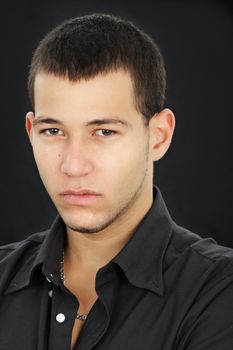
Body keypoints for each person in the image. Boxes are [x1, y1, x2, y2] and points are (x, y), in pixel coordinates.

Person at [0, 13, 232, 350]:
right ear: (30, 133)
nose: (73, 165)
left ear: (158, 136)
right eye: (53, 131)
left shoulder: (217, 292)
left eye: (104, 132)